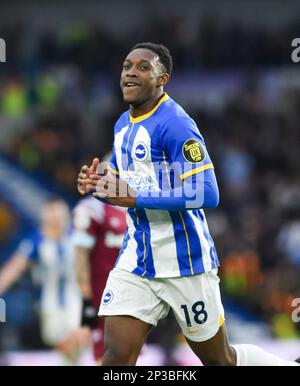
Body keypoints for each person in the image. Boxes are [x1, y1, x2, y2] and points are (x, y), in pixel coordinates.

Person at [77, 42, 299, 366]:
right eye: (127, 66)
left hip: (186, 261)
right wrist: (100, 182)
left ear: (162, 78)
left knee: (221, 360)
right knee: (115, 358)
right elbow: (138, 179)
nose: (131, 73)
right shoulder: (122, 125)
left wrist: (135, 197)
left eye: (142, 67)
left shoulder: (175, 124)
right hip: (137, 258)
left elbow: (207, 193)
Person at [0, 198, 90, 364]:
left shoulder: (78, 236)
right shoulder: (37, 240)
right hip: (50, 306)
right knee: (68, 353)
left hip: (76, 302)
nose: (56, 219)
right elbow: (14, 268)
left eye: (59, 214)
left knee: (78, 347)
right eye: (52, 214)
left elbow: (89, 270)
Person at [72, 194, 127, 364]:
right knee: (105, 356)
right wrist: (86, 299)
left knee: (128, 354)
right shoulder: (92, 209)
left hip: (131, 296)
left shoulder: (136, 203)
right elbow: (80, 256)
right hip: (104, 299)